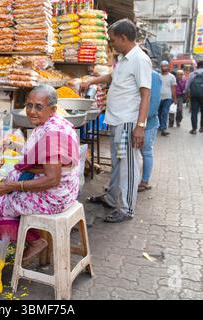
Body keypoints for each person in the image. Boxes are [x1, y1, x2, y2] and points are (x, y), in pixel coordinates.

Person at [0, 85, 81, 263]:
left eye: (38, 107)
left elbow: (52, 179)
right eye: (29, 105)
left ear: (52, 109)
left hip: (55, 197)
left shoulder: (52, 135)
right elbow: (42, 159)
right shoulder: (55, 123)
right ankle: (30, 238)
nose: (31, 111)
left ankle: (35, 241)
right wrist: (16, 149)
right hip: (66, 190)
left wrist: (14, 186)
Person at [81, 19, 152, 223]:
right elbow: (113, 77)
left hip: (128, 122)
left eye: (113, 41)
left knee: (127, 166)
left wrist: (140, 127)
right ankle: (112, 198)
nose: (112, 45)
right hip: (116, 120)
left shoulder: (140, 59)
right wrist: (92, 81)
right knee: (117, 164)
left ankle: (127, 209)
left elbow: (145, 94)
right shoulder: (124, 58)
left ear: (124, 38)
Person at [139, 51, 162, 192]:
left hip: (148, 123)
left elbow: (153, 103)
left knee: (146, 151)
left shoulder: (153, 76)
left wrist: (141, 123)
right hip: (137, 121)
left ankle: (145, 181)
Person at [158, 61, 176, 136]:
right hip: (158, 98)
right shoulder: (157, 76)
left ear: (168, 67)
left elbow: (173, 88)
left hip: (168, 98)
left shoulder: (172, 77)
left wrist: (174, 98)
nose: (163, 68)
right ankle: (159, 126)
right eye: (162, 66)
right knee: (158, 113)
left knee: (164, 113)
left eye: (165, 66)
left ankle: (163, 129)